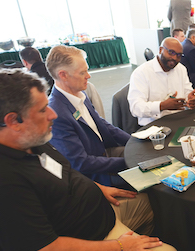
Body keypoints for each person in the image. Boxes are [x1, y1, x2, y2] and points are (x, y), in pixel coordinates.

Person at [0, 68, 180, 251]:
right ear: (13, 121)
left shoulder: (31, 140)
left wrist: (98, 188)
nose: (53, 114)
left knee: (149, 200)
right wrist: (121, 248)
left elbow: (64, 174)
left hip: (95, 218)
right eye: (43, 110)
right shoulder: (7, 181)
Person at [46, 45, 131, 188]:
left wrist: (134, 142)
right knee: (151, 178)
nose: (88, 76)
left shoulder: (79, 93)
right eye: (82, 72)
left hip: (103, 153)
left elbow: (103, 125)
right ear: (63, 75)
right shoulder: (56, 114)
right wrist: (130, 160)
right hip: (96, 176)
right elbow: (81, 163)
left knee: (152, 156)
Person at [128, 37, 195, 126]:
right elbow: (136, 108)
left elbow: (188, 92)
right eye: (171, 52)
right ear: (161, 50)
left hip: (179, 120)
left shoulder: (180, 68)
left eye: (179, 55)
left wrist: (192, 99)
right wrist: (162, 106)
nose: (175, 58)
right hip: (153, 126)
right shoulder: (141, 73)